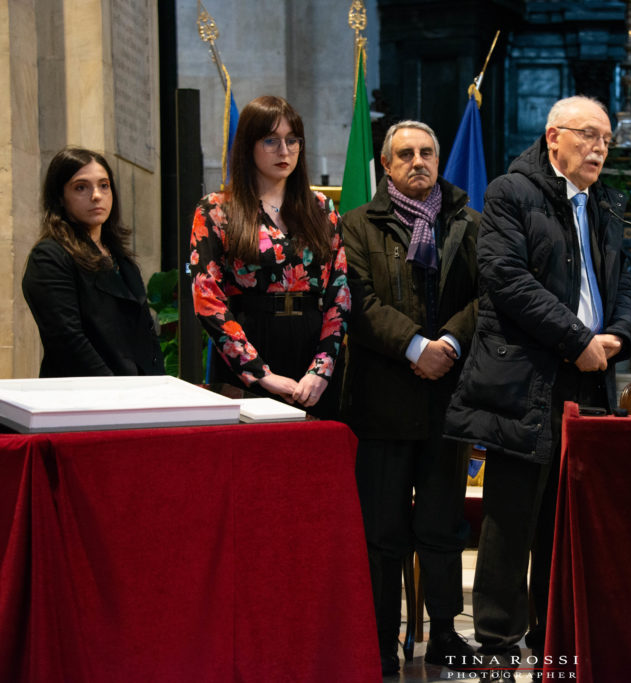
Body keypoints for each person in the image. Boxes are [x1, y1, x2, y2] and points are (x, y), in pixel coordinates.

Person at [445, 95, 631, 670]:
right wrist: (577, 340)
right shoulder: (511, 191)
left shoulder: (606, 201)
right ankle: (500, 646)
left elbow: (622, 282)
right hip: (525, 378)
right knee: (511, 518)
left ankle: (553, 635)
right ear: (554, 137)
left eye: (606, 139)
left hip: (590, 379)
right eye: (587, 136)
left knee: (566, 518)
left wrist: (618, 338)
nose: (599, 148)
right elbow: (505, 280)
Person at [340, 121, 479, 676]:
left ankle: (445, 636)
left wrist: (448, 341)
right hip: (381, 401)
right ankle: (379, 640)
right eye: (405, 154)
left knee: (444, 528)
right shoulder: (356, 225)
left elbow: (489, 295)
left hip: (450, 397)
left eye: (426, 152)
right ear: (386, 164)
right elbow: (359, 301)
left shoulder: (469, 223)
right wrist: (415, 345)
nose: (418, 161)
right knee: (382, 533)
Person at [189, 95, 349, 420]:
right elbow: (207, 298)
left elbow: (340, 293)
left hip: (313, 353)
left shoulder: (322, 209)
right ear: (249, 144)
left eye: (293, 140)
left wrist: (322, 369)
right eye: (271, 140)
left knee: (318, 463)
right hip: (248, 347)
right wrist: (261, 373)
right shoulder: (216, 209)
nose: (284, 150)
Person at [23, 147, 164, 377]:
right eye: (81, 187)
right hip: (87, 397)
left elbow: (145, 337)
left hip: (137, 396)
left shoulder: (120, 258)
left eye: (104, 185)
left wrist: (158, 390)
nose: (96, 195)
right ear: (60, 197)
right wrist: (114, 393)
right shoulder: (49, 256)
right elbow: (68, 341)